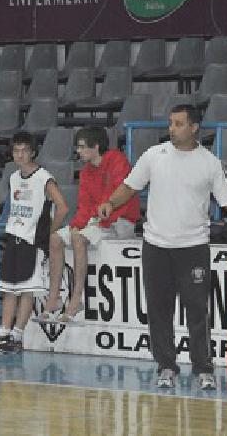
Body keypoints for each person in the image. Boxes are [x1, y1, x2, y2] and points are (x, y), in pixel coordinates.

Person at [97, 104, 227, 390]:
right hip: (155, 247)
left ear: (194, 127)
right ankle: (166, 366)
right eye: (171, 123)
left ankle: (204, 368)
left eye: (178, 123)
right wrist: (111, 202)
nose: (172, 128)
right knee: (159, 311)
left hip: (193, 248)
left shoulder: (210, 162)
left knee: (197, 310)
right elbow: (130, 186)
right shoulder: (154, 155)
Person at [45, 126, 139, 322]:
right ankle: (53, 299)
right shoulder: (86, 171)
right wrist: (76, 225)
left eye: (81, 147)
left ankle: (76, 299)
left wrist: (88, 225)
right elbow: (85, 205)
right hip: (96, 222)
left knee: (78, 238)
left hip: (120, 222)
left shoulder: (118, 161)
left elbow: (120, 197)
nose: (78, 151)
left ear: (95, 147)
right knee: (55, 239)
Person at [0, 132, 68, 353]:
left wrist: (48, 232)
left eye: (25, 150)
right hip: (14, 238)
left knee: (26, 291)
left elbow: (63, 207)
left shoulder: (44, 177)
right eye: (16, 150)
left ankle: (17, 336)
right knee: (8, 289)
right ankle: (3, 334)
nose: (20, 154)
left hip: (32, 241)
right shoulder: (14, 177)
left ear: (33, 152)